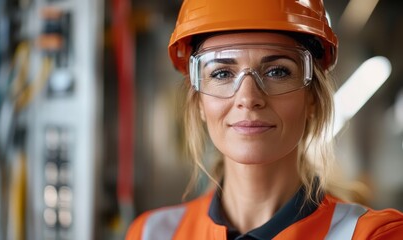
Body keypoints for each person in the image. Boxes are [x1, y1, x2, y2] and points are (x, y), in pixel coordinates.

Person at [126, 0, 403, 239]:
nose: (248, 97)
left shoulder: (372, 235)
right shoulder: (152, 234)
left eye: (277, 72)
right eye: (222, 73)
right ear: (199, 101)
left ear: (313, 99)